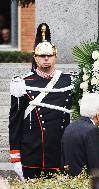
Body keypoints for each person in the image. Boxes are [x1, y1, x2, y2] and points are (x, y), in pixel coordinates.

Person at [8, 23, 73, 180]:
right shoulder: (22, 83)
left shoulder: (68, 80)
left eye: (49, 55)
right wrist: (16, 156)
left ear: (55, 56)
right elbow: (15, 122)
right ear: (35, 58)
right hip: (32, 153)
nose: (45, 59)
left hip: (60, 152)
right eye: (42, 56)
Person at [61, 93, 99, 176]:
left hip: (69, 182)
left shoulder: (69, 128)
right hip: (86, 183)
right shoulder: (93, 131)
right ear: (98, 114)